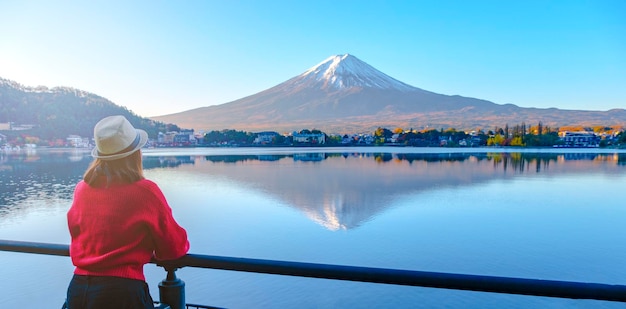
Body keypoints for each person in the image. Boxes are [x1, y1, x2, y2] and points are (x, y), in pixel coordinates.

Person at [65, 115, 190, 309]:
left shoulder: (82, 189)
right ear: (135, 154)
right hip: (121, 294)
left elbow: (77, 233)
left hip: (79, 291)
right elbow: (173, 248)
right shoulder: (145, 192)